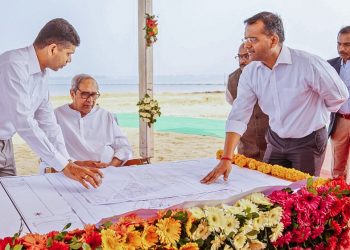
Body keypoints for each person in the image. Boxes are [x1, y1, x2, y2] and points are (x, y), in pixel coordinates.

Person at [201, 11, 349, 184]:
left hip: (308, 141)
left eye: (253, 39)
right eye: (245, 39)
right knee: (268, 188)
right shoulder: (250, 72)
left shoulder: (308, 64)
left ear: (273, 40)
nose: (247, 45)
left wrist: (314, 113)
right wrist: (226, 159)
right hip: (275, 140)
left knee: (300, 196)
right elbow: (238, 115)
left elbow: (339, 96)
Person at [0, 18, 103, 189]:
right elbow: (24, 122)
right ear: (53, 48)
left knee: (9, 198)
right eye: (69, 54)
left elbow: (48, 122)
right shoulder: (12, 65)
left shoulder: (41, 74)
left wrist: (67, 161)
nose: (69, 61)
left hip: (5, 144)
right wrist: (63, 165)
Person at [40, 74, 133, 172]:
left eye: (93, 95)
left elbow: (124, 147)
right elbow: (47, 151)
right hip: (72, 171)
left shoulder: (106, 116)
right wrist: (77, 165)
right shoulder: (56, 116)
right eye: (85, 94)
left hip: (107, 171)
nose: (90, 100)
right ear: (72, 94)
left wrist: (110, 167)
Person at [226, 43, 268, 161]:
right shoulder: (232, 79)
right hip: (246, 148)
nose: (242, 61)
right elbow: (235, 108)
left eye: (246, 56)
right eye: (239, 57)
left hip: (271, 147)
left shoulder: (269, 73)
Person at [328, 26, 350, 182]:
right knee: (337, 169)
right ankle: (338, 202)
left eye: (347, 45)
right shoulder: (329, 66)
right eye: (339, 44)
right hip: (340, 121)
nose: (341, 48)